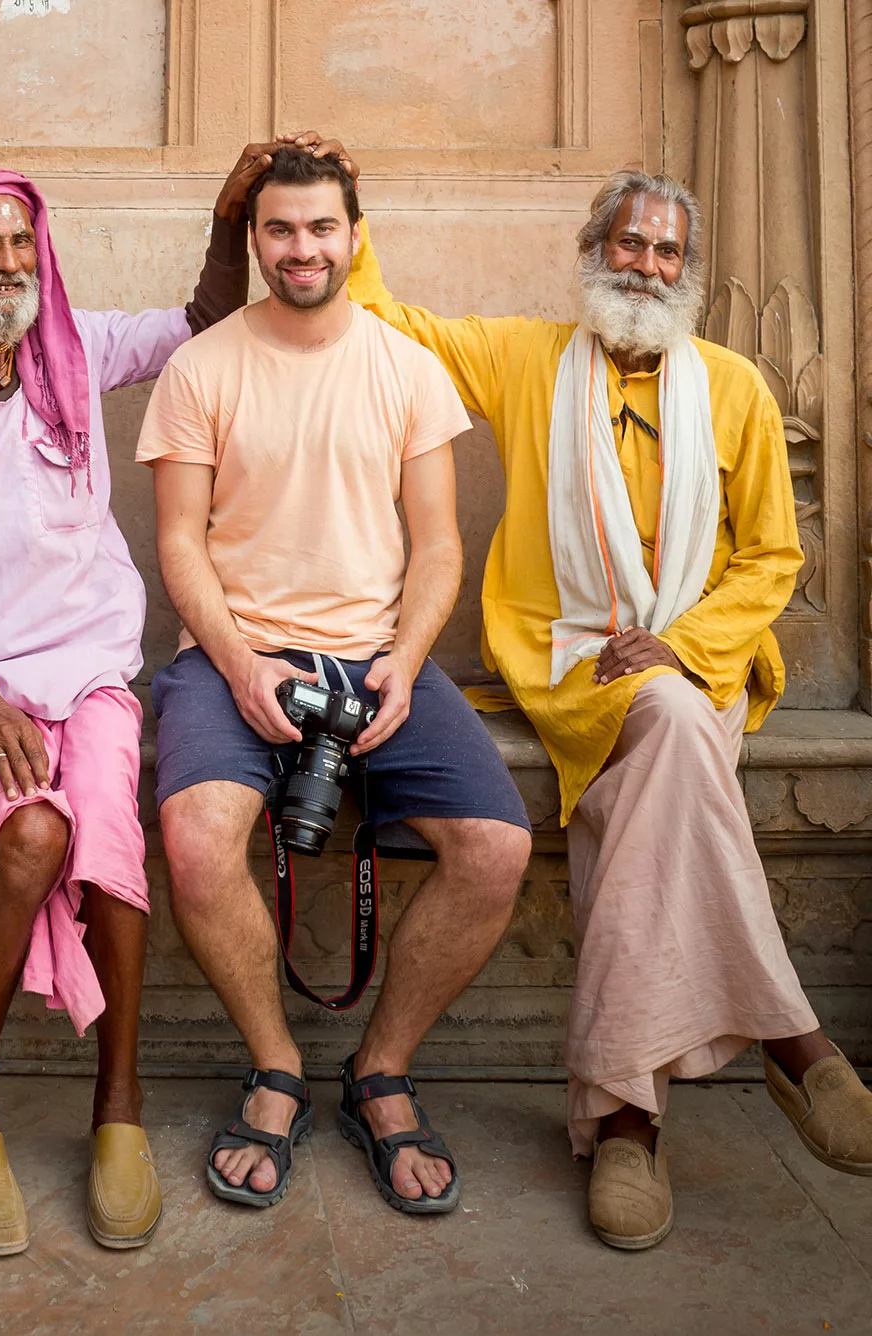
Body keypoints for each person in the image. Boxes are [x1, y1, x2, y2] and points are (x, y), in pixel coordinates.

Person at [324, 137, 872, 1247]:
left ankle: (624, 1116)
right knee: (663, 740)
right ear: (592, 253)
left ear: (691, 270)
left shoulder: (736, 389)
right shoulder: (528, 359)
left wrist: (680, 644)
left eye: (669, 251)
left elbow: (770, 560)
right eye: (631, 242)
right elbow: (391, 322)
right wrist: (345, 204)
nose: (649, 265)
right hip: (563, 662)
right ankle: (791, 1043)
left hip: (698, 665)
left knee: (663, 738)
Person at [0, 165, 252, 1255]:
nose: (8, 263)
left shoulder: (69, 348)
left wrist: (226, 215)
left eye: (21, 242)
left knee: (112, 837)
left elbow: (205, 322)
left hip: (92, 660)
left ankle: (118, 1102)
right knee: (31, 833)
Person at [138, 144, 534, 1219]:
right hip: (232, 654)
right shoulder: (203, 366)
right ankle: (276, 1067)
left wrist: (403, 666)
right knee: (193, 835)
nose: (302, 248)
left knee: (497, 847)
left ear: (356, 236)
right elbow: (179, 545)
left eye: (322, 228)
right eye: (280, 229)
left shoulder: (407, 367)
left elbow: (440, 546)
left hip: (377, 657)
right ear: (254, 239)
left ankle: (381, 1071)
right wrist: (239, 660)